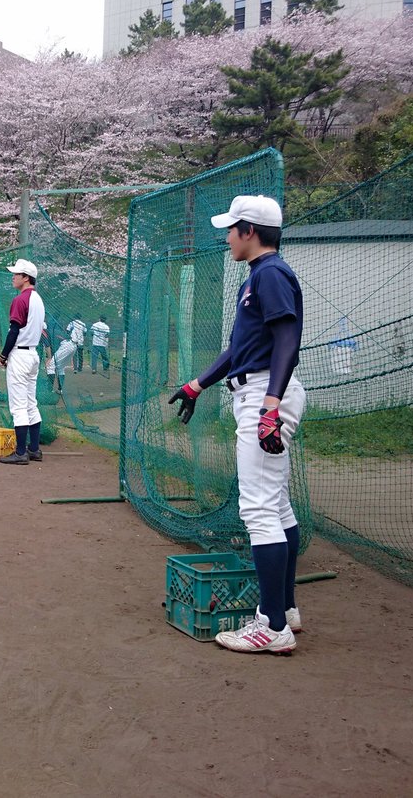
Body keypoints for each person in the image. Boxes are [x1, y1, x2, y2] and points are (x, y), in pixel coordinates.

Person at [168, 194, 306, 655]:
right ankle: (282, 609)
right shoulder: (260, 276)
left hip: (266, 393)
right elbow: (240, 348)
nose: (226, 236)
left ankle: (271, 626)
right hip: (257, 389)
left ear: (249, 231)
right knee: (277, 506)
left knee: (259, 510)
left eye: (231, 228)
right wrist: (198, 384)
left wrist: (269, 406)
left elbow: (288, 339)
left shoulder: (270, 274)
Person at [0, 258, 45, 464]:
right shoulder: (38, 299)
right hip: (33, 355)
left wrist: (3, 355)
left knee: (18, 406)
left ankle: (20, 453)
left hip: (20, 355)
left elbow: (14, 331)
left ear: (26, 278)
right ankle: (34, 449)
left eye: (17, 274)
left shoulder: (20, 300)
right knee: (30, 403)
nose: (13, 277)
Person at [43, 319, 76, 395]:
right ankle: (60, 390)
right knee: (60, 368)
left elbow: (49, 346)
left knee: (51, 366)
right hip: (72, 346)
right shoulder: (52, 331)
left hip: (66, 346)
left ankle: (49, 390)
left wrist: (49, 358)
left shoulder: (46, 333)